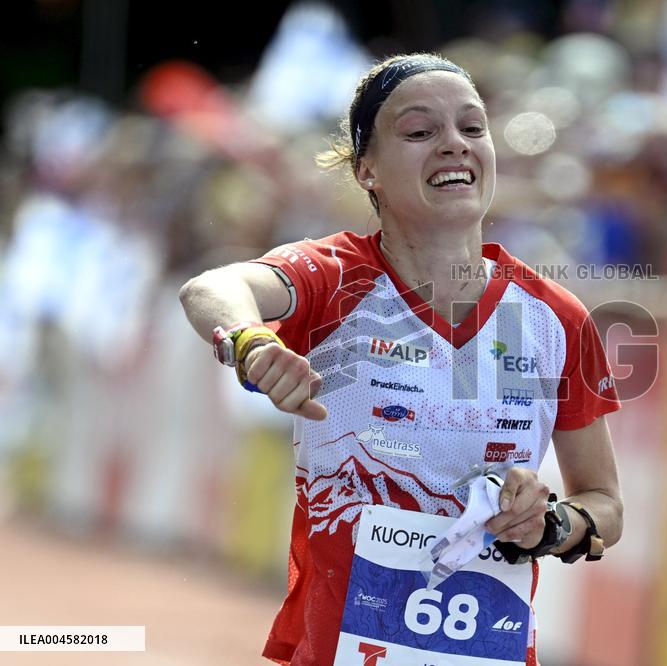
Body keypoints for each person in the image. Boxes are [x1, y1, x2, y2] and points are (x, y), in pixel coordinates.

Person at [179, 53, 623, 666]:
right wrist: (253, 345)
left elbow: (603, 502)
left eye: (472, 128)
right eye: (419, 132)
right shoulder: (335, 277)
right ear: (368, 170)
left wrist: (550, 523)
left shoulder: (556, 317)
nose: (454, 146)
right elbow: (211, 290)